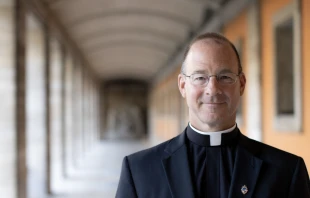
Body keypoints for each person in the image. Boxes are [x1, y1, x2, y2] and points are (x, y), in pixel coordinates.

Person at [116, 32, 310, 198]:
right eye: (200, 77)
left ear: (241, 84)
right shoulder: (139, 171)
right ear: (183, 85)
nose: (213, 89)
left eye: (224, 77)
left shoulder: (286, 171)